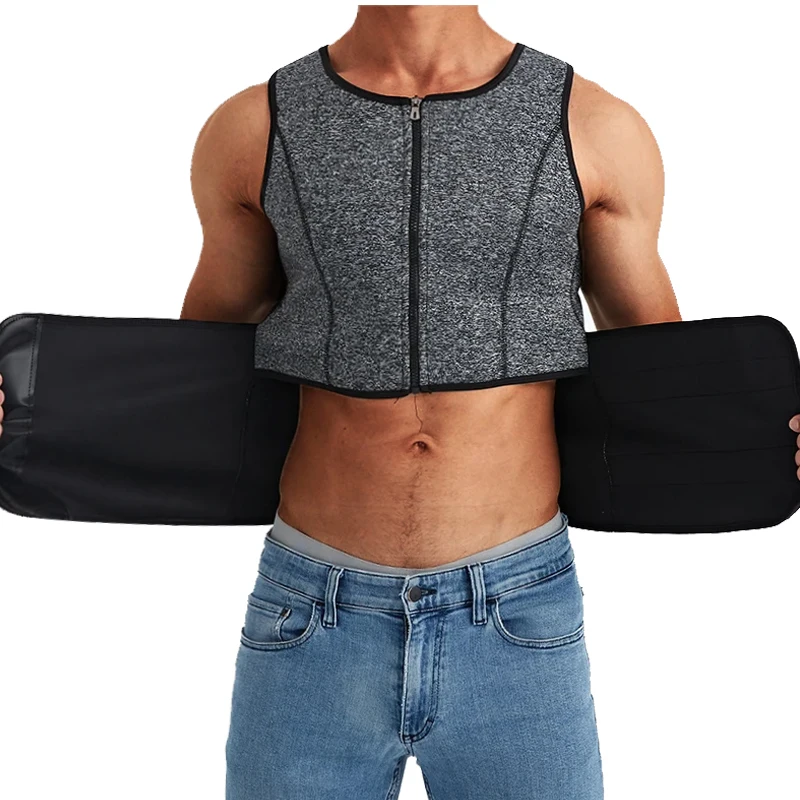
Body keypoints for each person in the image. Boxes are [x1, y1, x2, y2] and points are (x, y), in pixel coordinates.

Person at [1, 5, 798, 800]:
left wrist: (770, 435)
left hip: (517, 613)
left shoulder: (595, 125)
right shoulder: (253, 127)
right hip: (310, 612)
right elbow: (198, 373)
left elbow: (660, 372)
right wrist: (32, 420)